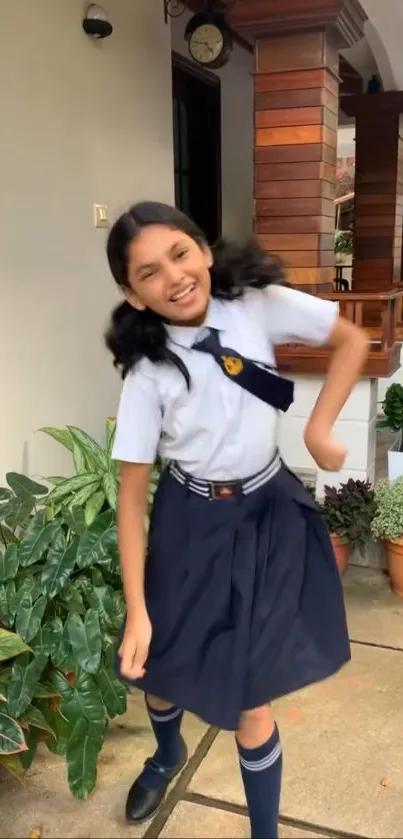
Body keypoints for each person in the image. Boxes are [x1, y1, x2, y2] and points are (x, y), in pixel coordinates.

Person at [105, 201, 369, 838]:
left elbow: (351, 339)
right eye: (148, 273)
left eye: (179, 252)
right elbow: (132, 497)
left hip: (267, 516)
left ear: (203, 248)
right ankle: (167, 753)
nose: (173, 276)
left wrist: (319, 424)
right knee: (158, 669)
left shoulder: (255, 302)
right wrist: (138, 610)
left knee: (253, 698)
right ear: (132, 294)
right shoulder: (147, 373)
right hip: (189, 522)